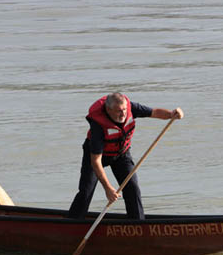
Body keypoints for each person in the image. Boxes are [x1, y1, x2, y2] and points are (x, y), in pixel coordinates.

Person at [68, 92, 183, 220]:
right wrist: (108, 188)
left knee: (133, 188)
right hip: (97, 157)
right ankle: (73, 223)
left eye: (124, 110)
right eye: (118, 111)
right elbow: (96, 161)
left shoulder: (130, 107)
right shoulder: (98, 126)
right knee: (86, 192)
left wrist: (171, 114)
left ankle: (137, 224)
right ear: (108, 110)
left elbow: (154, 112)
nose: (123, 114)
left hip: (121, 155)